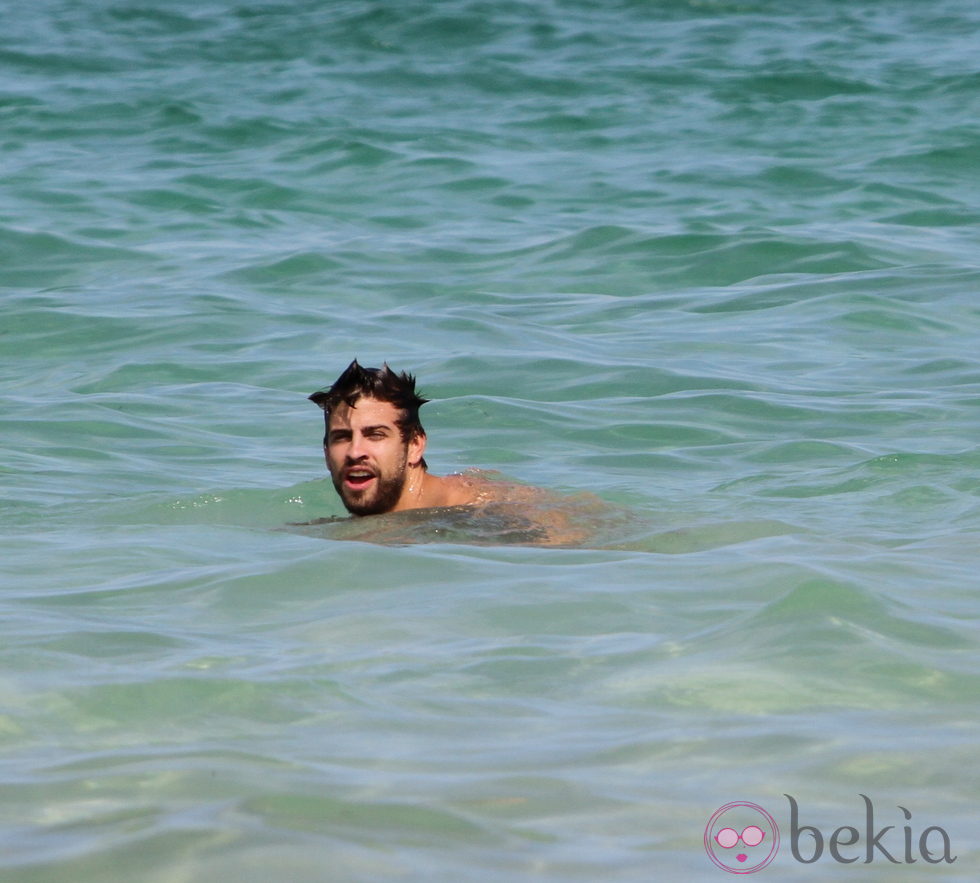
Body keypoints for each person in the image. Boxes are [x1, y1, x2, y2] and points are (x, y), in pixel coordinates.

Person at [309, 359, 490, 517]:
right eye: (342, 437)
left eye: (375, 435)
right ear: (326, 453)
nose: (355, 452)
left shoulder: (474, 510)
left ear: (414, 445)